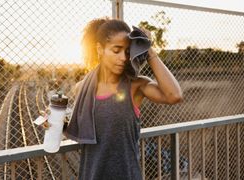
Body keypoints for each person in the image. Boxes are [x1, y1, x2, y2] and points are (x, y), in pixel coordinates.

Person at [65, 17, 183, 180]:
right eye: (116, 50)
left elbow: (174, 95)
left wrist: (148, 50)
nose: (123, 58)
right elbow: (83, 129)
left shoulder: (135, 86)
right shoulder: (82, 89)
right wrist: (57, 123)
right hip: (91, 175)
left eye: (127, 52)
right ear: (100, 49)